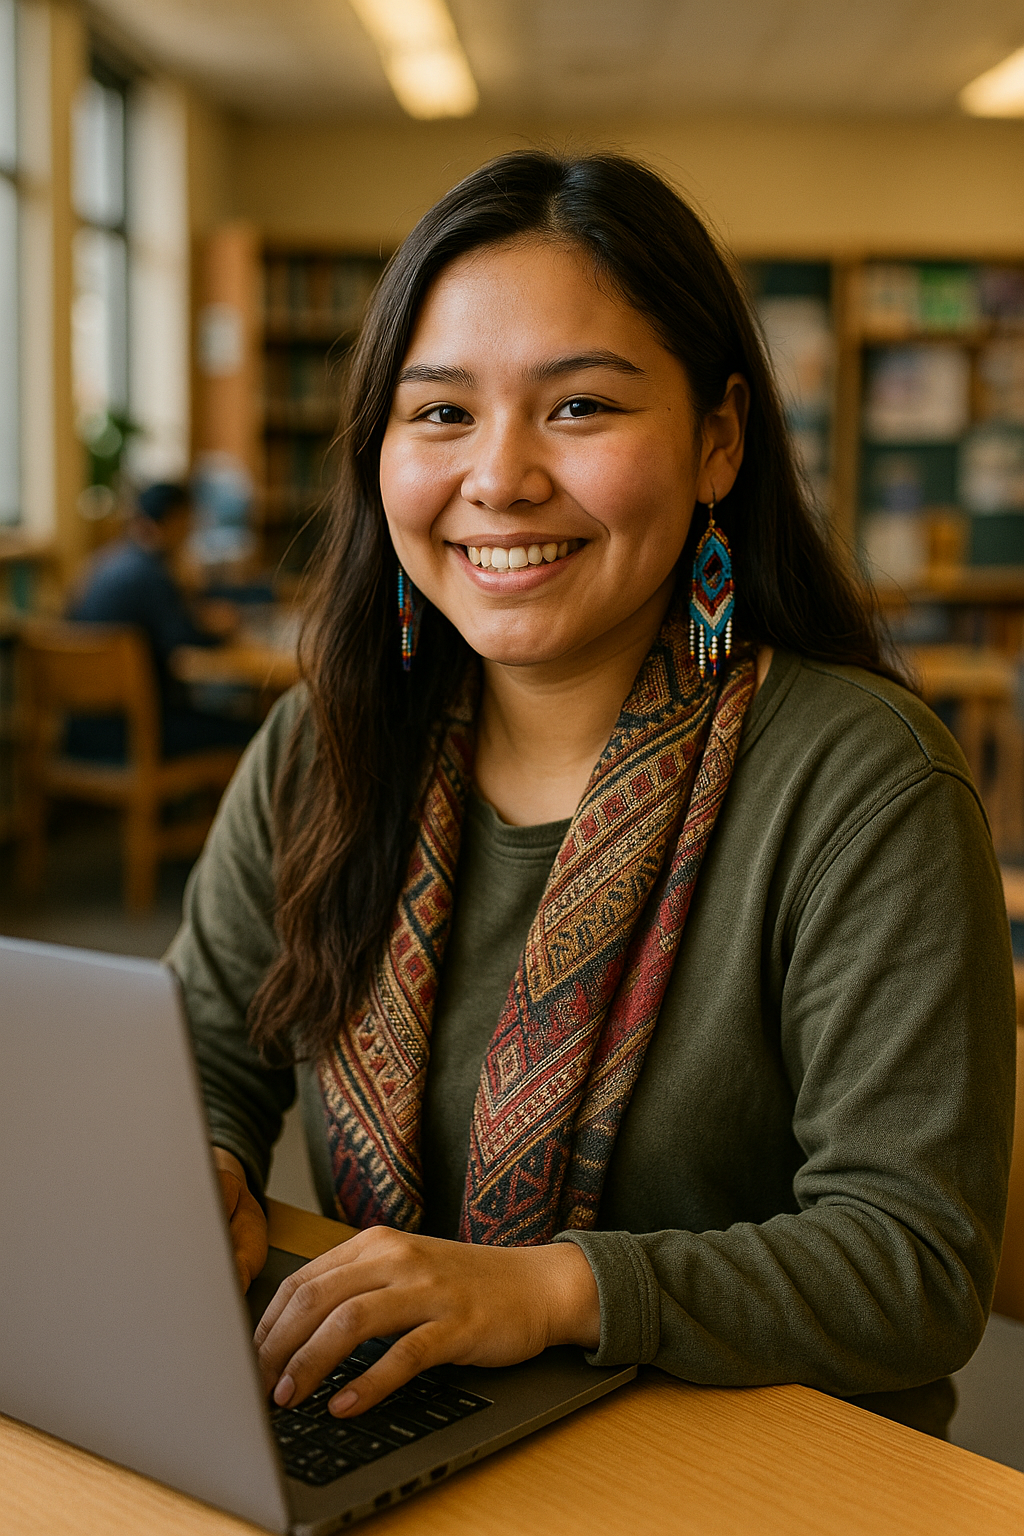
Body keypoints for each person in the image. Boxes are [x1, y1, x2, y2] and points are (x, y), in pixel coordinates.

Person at [167, 152, 1016, 1443]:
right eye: (441, 413)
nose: (499, 478)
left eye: (577, 409)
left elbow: (911, 1266)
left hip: (762, 1480)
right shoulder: (323, 748)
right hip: (420, 1431)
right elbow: (199, 1052)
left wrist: (554, 1291)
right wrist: (208, 1165)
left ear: (717, 440)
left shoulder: (863, 783)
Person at [67, 481, 255, 759]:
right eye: (188, 521)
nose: (190, 531)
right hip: (134, 738)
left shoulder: (105, 563)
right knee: (253, 732)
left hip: (81, 732)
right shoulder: (151, 573)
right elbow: (182, 641)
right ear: (175, 519)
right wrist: (222, 628)